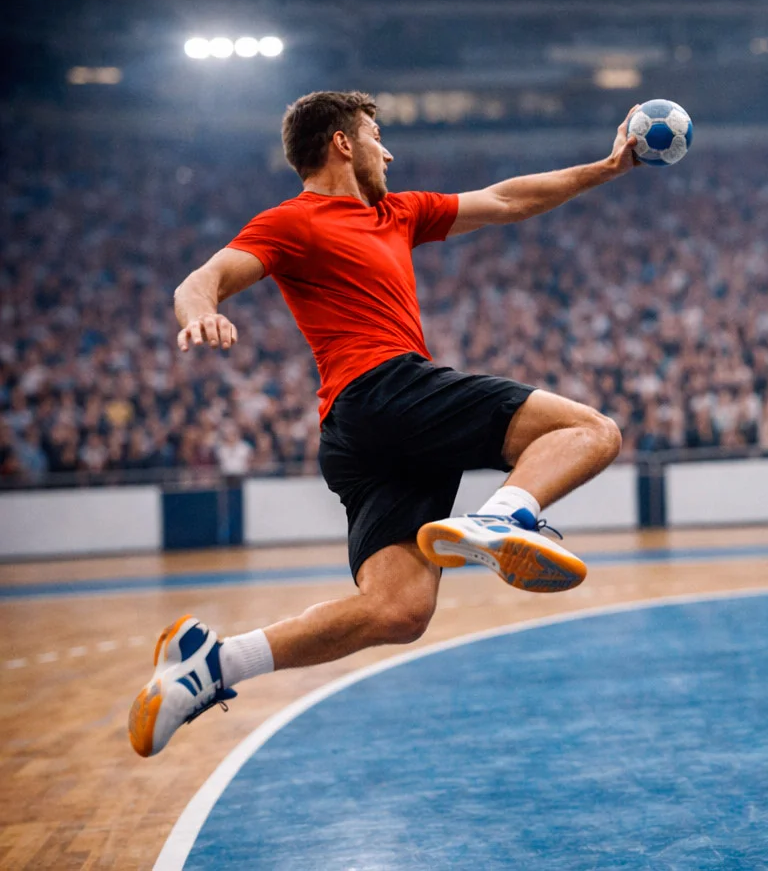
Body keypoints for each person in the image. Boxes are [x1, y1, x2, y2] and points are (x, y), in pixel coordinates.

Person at [129, 91, 635, 758]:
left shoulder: (398, 213)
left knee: (397, 612)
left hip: (358, 436)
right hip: (383, 390)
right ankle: (504, 516)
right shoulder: (296, 220)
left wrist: (605, 167)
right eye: (376, 135)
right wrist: (199, 310)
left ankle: (209, 667)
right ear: (342, 143)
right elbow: (205, 276)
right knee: (591, 431)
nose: (388, 151)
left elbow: (508, 199)